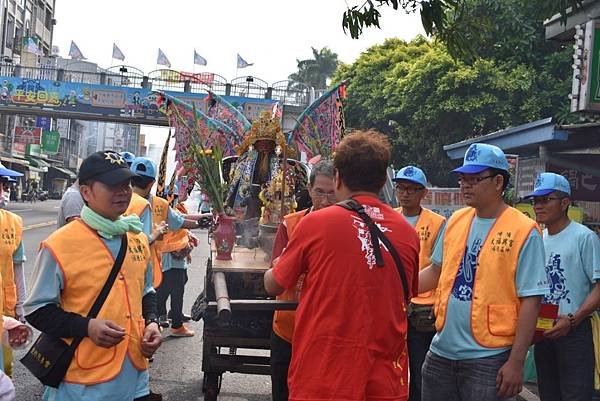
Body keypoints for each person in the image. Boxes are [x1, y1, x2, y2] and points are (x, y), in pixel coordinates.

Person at [264, 130, 419, 401]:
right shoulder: (408, 233)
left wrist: (275, 265)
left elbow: (274, 284)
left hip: (323, 378)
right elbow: (405, 296)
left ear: (337, 178)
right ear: (384, 181)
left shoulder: (315, 224)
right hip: (386, 381)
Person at [24, 150, 162, 401]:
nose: (123, 191)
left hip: (136, 378)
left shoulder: (138, 238)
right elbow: (37, 310)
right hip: (83, 384)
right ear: (86, 192)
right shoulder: (60, 245)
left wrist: (152, 322)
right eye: (112, 185)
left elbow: (146, 291)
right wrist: (86, 326)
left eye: (126, 184)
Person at [418, 143, 549, 401]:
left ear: (499, 181)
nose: (465, 185)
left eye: (475, 179)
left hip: (488, 357)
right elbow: (435, 270)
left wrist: (516, 362)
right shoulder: (456, 220)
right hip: (441, 352)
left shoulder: (523, 230)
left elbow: (532, 300)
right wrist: (397, 284)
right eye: (462, 179)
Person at [526, 172, 600, 401]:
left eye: (546, 199)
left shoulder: (584, 238)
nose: (538, 206)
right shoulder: (538, 238)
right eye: (535, 201)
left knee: (576, 395)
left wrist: (573, 319)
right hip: (544, 331)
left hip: (574, 331)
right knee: (548, 393)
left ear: (565, 202)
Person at [269, 160, 336, 401]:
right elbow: (276, 270)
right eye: (320, 192)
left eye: (332, 193)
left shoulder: (347, 228)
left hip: (326, 333)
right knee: (282, 392)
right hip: (288, 327)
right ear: (309, 190)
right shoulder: (291, 224)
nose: (326, 201)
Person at [392, 166, 445, 401]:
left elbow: (439, 266)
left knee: (421, 368)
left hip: (423, 308)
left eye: (412, 189)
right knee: (393, 365)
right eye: (402, 188)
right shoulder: (387, 218)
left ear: (424, 193)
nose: (406, 193)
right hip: (392, 303)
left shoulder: (438, 223)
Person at [128, 157, 208, 288]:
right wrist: (202, 222)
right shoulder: (160, 203)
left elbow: (179, 220)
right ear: (152, 183)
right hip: (148, 271)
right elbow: (180, 221)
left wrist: (201, 222)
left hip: (135, 272)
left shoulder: (116, 202)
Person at [156, 185, 198, 337]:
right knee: (174, 290)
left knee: (175, 285)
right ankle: (176, 325)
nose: (186, 193)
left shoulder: (174, 207)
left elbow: (183, 230)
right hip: (171, 254)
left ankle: (174, 314)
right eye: (182, 191)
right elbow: (181, 225)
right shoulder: (169, 209)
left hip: (176, 254)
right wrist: (201, 221)